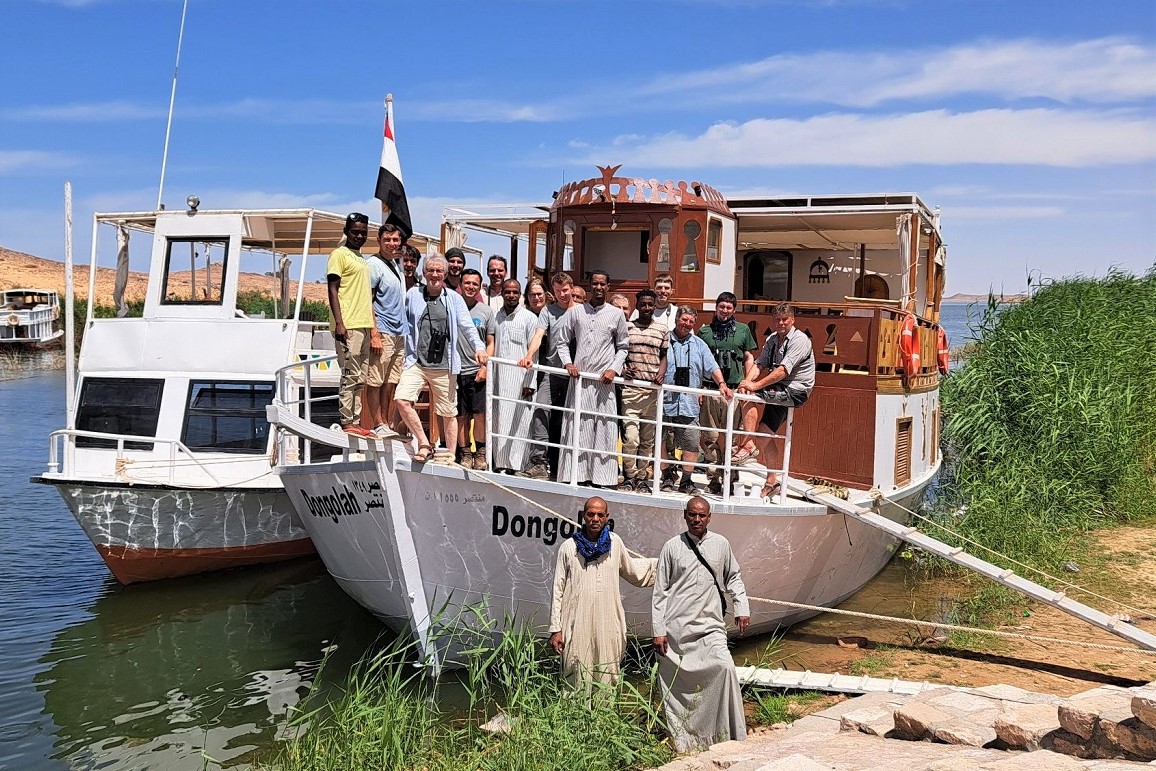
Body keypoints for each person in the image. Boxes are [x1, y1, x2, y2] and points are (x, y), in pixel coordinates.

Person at [653, 496, 749, 752]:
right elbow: (660, 592)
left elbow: (734, 578)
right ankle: (686, 739)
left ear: (709, 517)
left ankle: (728, 734)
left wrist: (742, 608)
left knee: (725, 667)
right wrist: (658, 630)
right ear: (684, 515)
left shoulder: (721, 545)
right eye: (692, 515)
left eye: (702, 515)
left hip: (711, 626)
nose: (697, 519)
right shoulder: (672, 547)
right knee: (678, 684)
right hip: (678, 628)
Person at [549, 496, 656, 687]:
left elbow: (634, 572)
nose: (595, 519)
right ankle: (574, 715)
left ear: (607, 517)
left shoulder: (615, 544)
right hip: (576, 624)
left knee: (607, 672)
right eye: (591, 514)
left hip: (607, 623)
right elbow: (557, 589)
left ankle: (602, 714)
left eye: (600, 515)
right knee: (575, 672)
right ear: (583, 516)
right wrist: (555, 629)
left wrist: (669, 565)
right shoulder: (569, 548)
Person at [395, 254, 488, 463]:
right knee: (401, 399)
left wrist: (479, 348)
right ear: (424, 273)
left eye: (439, 271)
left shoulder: (453, 298)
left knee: (448, 412)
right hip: (416, 362)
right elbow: (403, 323)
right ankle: (424, 443)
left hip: (444, 365)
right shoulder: (413, 294)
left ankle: (450, 455)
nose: (434, 275)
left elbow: (468, 327)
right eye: (431, 270)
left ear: (445, 274)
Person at [556, 270, 629, 487]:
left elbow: (623, 347)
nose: (598, 287)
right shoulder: (576, 312)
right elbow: (561, 341)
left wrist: (614, 370)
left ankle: (603, 479)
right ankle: (576, 476)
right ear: (589, 285)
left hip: (603, 383)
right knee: (577, 427)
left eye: (602, 284)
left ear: (608, 287)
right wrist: (568, 363)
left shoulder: (616, 314)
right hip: (579, 382)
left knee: (604, 429)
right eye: (594, 283)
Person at [735, 302, 815, 498]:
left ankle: (747, 444)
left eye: (784, 319)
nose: (780, 323)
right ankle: (772, 480)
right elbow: (759, 364)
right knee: (764, 433)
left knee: (750, 396)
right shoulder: (772, 338)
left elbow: (783, 371)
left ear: (792, 320)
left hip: (796, 390)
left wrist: (754, 386)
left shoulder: (800, 340)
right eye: (777, 319)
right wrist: (747, 380)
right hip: (779, 388)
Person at [661, 307, 731, 495]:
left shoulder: (699, 344)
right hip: (664, 402)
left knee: (691, 444)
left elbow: (712, 367)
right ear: (676, 319)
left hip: (689, 405)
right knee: (659, 441)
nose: (687, 324)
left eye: (691, 321)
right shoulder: (664, 340)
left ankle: (686, 480)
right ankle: (666, 475)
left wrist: (722, 384)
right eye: (684, 319)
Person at [697, 292, 758, 494]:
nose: (724, 311)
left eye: (729, 308)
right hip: (711, 390)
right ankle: (714, 479)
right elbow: (698, 362)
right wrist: (698, 389)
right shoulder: (704, 331)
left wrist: (747, 381)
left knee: (731, 438)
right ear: (716, 308)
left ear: (734, 309)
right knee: (712, 436)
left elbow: (749, 357)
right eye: (721, 307)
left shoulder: (743, 330)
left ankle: (730, 478)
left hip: (733, 391)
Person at [519, 272, 576, 480]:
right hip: (552, 372)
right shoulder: (548, 311)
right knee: (541, 411)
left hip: (575, 377)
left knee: (568, 419)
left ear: (571, 288)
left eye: (565, 290)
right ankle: (539, 463)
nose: (562, 294)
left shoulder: (581, 312)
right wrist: (528, 355)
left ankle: (567, 465)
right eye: (558, 291)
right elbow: (538, 335)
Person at [326, 212, 376, 438]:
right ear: (346, 232)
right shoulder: (339, 254)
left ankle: (356, 420)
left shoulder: (360, 258)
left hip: (364, 324)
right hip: (349, 324)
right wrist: (339, 322)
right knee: (350, 374)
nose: (359, 236)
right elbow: (332, 289)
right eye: (355, 232)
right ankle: (347, 420)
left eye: (363, 233)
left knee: (361, 377)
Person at [618, 289, 668, 493]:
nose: (647, 308)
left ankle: (642, 477)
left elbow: (664, 355)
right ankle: (629, 475)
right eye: (643, 304)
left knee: (647, 440)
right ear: (637, 306)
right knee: (631, 438)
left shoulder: (663, 329)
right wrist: (622, 370)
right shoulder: (627, 327)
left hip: (652, 393)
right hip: (631, 391)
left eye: (650, 304)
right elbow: (618, 353)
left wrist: (662, 373)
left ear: (655, 306)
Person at [490, 279, 540, 473]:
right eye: (507, 292)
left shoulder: (529, 318)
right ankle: (499, 463)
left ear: (520, 295)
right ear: (501, 293)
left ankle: (517, 465)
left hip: (521, 381)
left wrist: (530, 382)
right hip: (498, 380)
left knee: (520, 422)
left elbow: (533, 352)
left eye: (515, 292)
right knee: (499, 419)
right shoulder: (496, 317)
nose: (511, 295)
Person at [364, 223, 408, 438]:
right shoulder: (373, 265)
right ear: (379, 241)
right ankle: (377, 421)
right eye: (387, 240)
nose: (392, 244)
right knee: (375, 379)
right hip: (382, 330)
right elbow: (367, 300)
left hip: (399, 332)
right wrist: (374, 333)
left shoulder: (395, 265)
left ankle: (387, 422)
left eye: (395, 240)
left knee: (391, 380)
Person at [454, 269, 497, 469]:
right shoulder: (453, 306)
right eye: (467, 283)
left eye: (475, 284)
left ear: (480, 286)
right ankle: (464, 453)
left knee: (479, 415)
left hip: (476, 370)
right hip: (455, 370)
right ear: (461, 284)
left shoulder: (486, 311)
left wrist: (485, 366)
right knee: (460, 415)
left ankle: (479, 452)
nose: (471, 287)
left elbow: (490, 342)